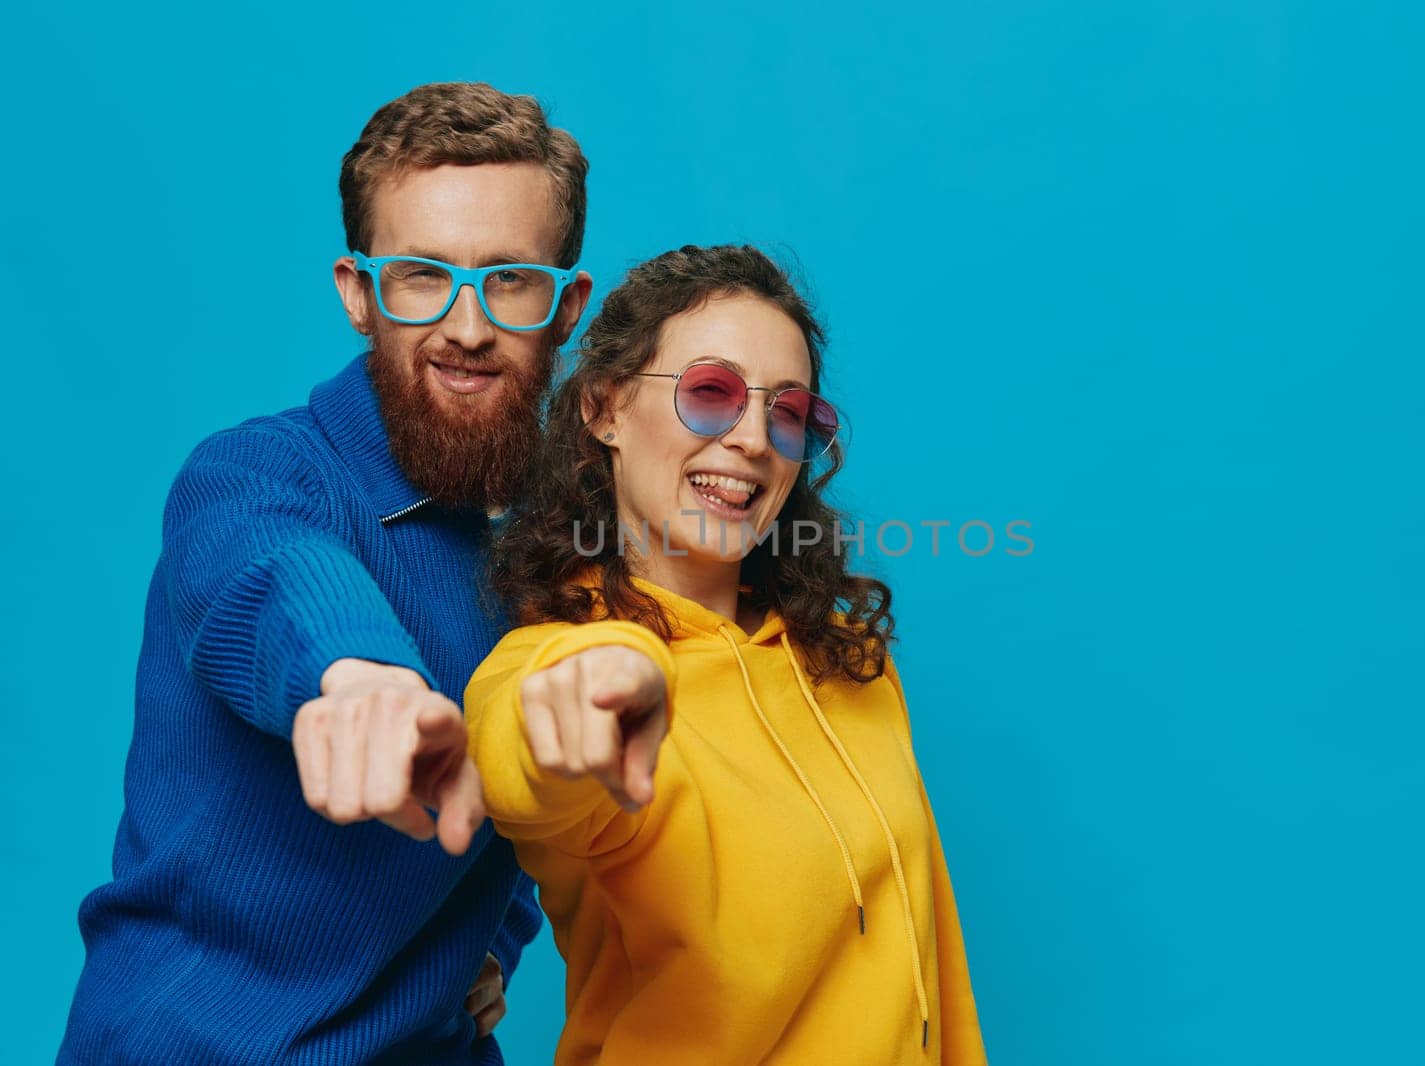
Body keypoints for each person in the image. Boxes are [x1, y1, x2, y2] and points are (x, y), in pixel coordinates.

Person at [59, 82, 594, 1064]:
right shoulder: (253, 473)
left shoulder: (557, 559)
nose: (467, 325)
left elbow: (534, 791)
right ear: (357, 295)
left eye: (508, 279)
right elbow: (274, 573)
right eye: (421, 277)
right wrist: (361, 679)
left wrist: (494, 941)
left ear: (564, 305)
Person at [465, 244, 986, 1064]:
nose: (752, 440)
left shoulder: (848, 662)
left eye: (788, 413)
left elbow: (928, 971)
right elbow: (521, 760)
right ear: (604, 408)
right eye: (712, 394)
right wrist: (579, 702)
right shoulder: (558, 661)